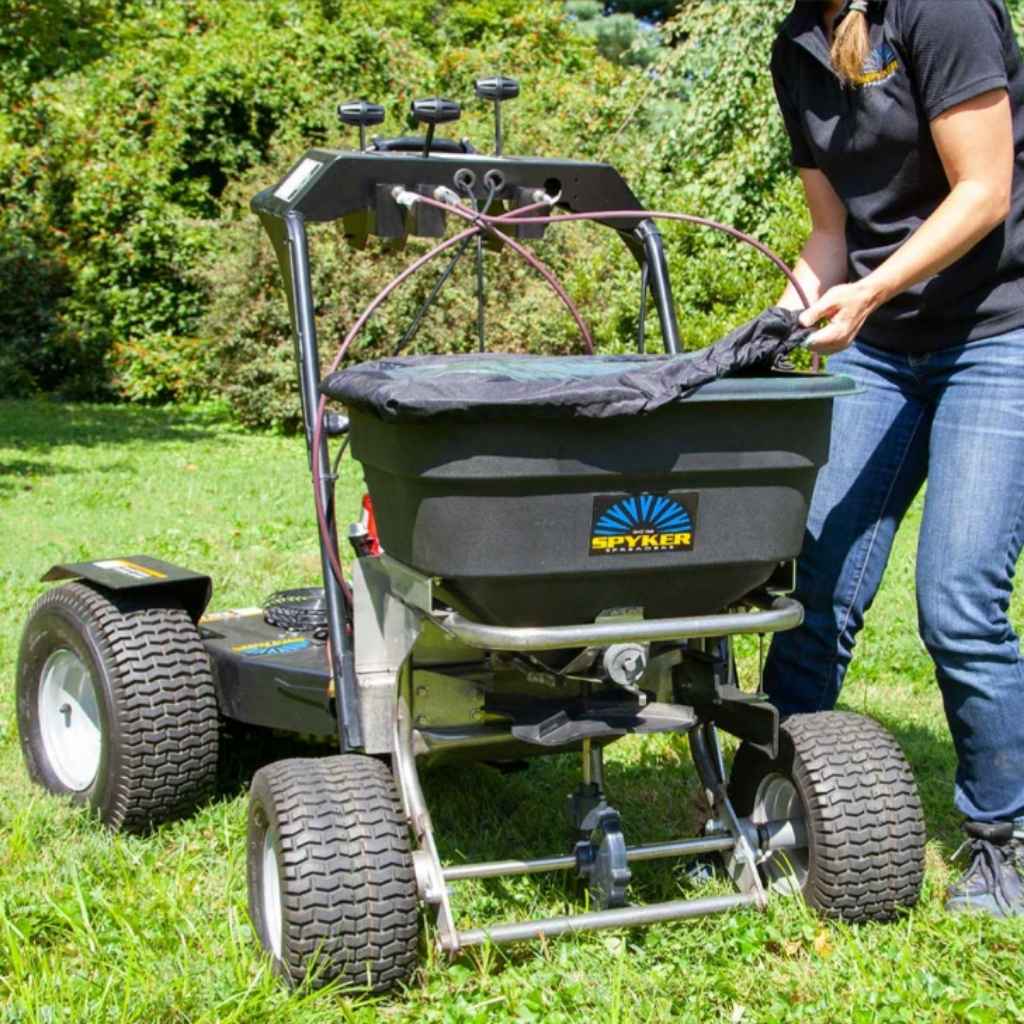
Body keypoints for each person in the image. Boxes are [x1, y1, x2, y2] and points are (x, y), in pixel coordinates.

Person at [767, 0, 1024, 916]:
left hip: (1001, 332)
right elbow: (831, 233)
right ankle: (774, 799)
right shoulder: (796, 45)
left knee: (958, 601)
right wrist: (775, 323)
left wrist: (869, 292)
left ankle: (1006, 844)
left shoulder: (942, 9)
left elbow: (985, 189)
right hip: (884, 344)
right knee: (812, 585)